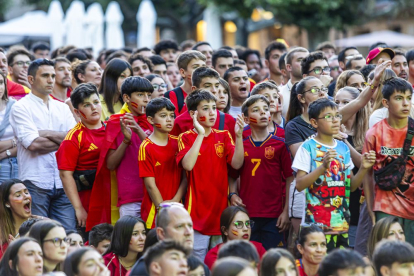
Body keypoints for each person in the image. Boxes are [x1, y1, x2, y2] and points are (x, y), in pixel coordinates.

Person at [292, 98, 376, 251]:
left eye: (337, 115)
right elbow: (299, 185)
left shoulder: (343, 148)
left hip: (341, 224)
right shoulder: (308, 147)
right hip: (315, 226)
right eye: (329, 116)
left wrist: (363, 168)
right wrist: (322, 168)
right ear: (314, 123)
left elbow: (351, 187)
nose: (336, 120)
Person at [176, 89, 244, 261]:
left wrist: (239, 137)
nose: (212, 112)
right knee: (197, 260)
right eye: (205, 108)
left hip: (221, 212)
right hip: (196, 214)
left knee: (220, 260)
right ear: (193, 113)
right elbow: (188, 165)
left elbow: (236, 164)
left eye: (214, 108)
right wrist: (200, 134)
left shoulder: (223, 136)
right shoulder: (185, 138)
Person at [10, 58, 77, 230]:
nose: (51, 80)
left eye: (53, 76)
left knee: (67, 235)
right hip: (35, 180)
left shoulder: (62, 107)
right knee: (38, 235)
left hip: (63, 181)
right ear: (31, 80)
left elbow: (76, 142)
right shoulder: (21, 107)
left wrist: (45, 133)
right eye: (45, 75)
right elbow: (34, 144)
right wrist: (63, 139)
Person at [87, 77, 153, 229]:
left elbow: (157, 153)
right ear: (126, 97)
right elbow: (110, 164)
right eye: (141, 95)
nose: (146, 99)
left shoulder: (155, 120)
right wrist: (126, 141)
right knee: (130, 240)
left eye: (149, 95)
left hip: (156, 192)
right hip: (130, 195)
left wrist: (138, 129)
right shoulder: (116, 122)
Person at [231, 95, 292, 249]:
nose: (263, 113)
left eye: (266, 110)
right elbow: (234, 170)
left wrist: (286, 212)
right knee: (249, 256)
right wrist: (233, 194)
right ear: (246, 119)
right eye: (256, 110)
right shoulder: (242, 144)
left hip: (274, 215)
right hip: (247, 212)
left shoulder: (280, 144)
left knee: (272, 257)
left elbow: (290, 179)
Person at [363, 77, 414, 246]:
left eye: (409, 97)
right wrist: (371, 209)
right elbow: (367, 175)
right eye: (399, 98)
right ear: (386, 102)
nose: (406, 103)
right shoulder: (374, 133)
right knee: (388, 257)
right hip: (385, 207)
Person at [56, 83, 106, 232]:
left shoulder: (113, 128)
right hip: (89, 200)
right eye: (87, 105)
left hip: (113, 196)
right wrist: (79, 209)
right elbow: (65, 175)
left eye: (96, 102)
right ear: (77, 112)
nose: (94, 107)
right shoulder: (73, 138)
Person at [138, 97, 187, 229]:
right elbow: (150, 185)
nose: (169, 119)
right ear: (150, 120)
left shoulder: (178, 142)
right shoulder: (146, 147)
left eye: (172, 116)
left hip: (178, 206)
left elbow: (185, 177)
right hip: (155, 210)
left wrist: (175, 201)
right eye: (163, 116)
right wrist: (163, 208)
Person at [128, 203, 194, 276]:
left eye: (190, 226)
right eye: (180, 226)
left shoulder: (197, 266)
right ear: (162, 233)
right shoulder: (144, 270)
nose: (188, 232)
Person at [170, 67, 236, 138]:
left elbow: (235, 148)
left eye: (216, 86)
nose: (214, 90)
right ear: (194, 89)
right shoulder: (180, 122)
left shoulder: (228, 120)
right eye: (207, 86)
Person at [164, 50, 206, 117]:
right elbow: (174, 124)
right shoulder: (172, 95)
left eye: (204, 67)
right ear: (183, 72)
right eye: (195, 67)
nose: (201, 70)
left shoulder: (211, 92)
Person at [0, 179, 35, 259]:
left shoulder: (40, 226)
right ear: (7, 203)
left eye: (26, 192)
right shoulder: (2, 231)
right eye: (18, 195)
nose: (26, 196)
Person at [280, 47, 309, 117]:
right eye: (300, 60)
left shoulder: (319, 92)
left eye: (308, 60)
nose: (305, 63)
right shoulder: (279, 94)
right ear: (289, 67)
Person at [0, 71, 17, 182]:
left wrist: (5, 153)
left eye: (1, 82)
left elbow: (28, 142)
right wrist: (14, 141)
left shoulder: (16, 107)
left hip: (16, 166)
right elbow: (20, 140)